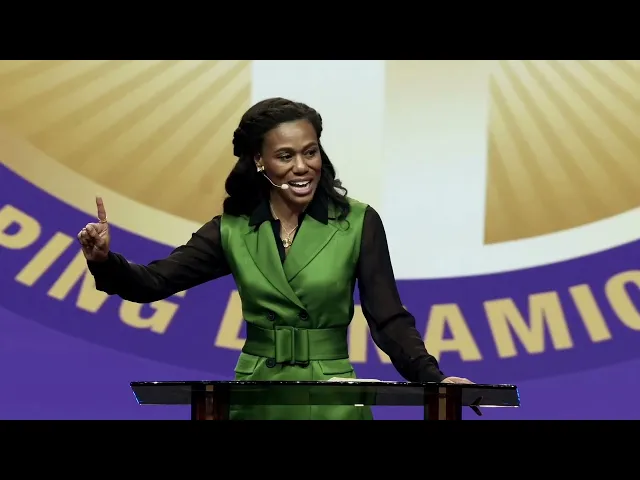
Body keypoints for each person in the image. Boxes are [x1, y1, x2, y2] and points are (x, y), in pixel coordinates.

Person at [78, 97, 472, 420]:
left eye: (310, 152)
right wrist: (104, 260)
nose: (302, 167)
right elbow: (153, 283)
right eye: (286, 156)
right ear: (259, 161)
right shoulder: (232, 230)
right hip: (257, 395)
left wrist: (434, 377)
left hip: (331, 395)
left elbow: (388, 319)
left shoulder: (356, 222)